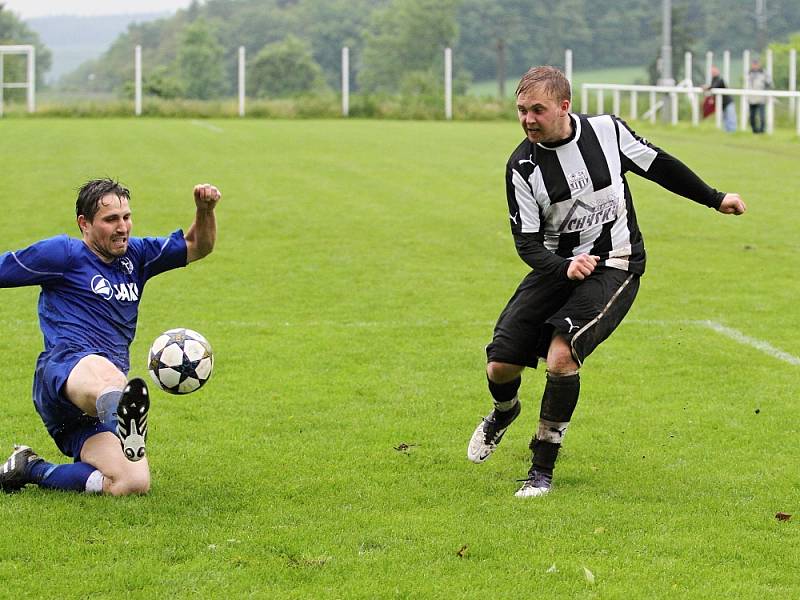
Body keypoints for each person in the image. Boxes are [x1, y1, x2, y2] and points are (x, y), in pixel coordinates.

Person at [467, 66, 746, 498]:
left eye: (537, 109)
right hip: (556, 267)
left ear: (564, 105)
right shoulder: (522, 165)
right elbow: (525, 242)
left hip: (616, 262)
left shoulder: (607, 133)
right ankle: (504, 412)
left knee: (562, 356)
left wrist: (715, 198)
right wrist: (562, 267)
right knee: (500, 365)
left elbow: (661, 167)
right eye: (521, 111)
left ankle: (541, 467)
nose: (527, 119)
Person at [0, 179, 221, 495]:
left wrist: (204, 210)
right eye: (111, 220)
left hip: (89, 410)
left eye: (126, 217)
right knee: (108, 376)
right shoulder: (62, 254)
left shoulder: (138, 256)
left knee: (132, 483)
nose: (123, 227)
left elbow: (199, 246)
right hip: (64, 370)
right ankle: (120, 408)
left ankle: (30, 468)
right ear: (84, 224)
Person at [706, 66, 736, 132]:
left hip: (728, 103)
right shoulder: (713, 79)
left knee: (731, 118)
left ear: (717, 71)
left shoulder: (720, 79)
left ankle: (732, 132)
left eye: (714, 71)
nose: (713, 73)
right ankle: (727, 132)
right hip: (722, 104)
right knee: (725, 119)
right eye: (712, 72)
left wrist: (707, 87)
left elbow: (714, 86)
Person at [747, 59, 771, 134]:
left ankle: (762, 131)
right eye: (753, 64)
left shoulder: (764, 73)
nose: (754, 66)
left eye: (756, 64)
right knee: (752, 116)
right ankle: (755, 130)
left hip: (761, 98)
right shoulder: (749, 73)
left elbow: (769, 83)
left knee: (762, 116)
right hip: (751, 98)